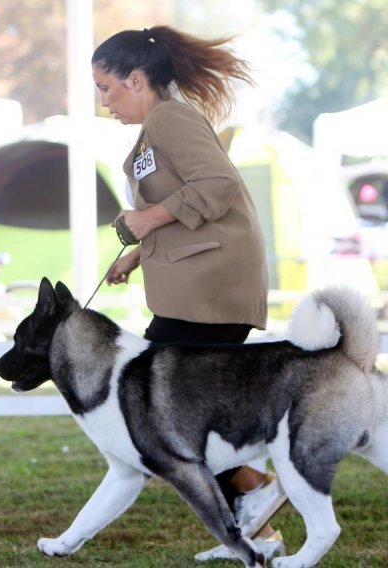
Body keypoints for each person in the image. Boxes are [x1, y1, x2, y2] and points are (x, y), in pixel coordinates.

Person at [93, 26, 287, 561]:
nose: (102, 100)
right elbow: (188, 199)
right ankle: (255, 532)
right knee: (182, 414)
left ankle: (258, 493)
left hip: (211, 288)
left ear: (136, 79)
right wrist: (137, 253)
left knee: (164, 410)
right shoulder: (157, 124)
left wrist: (144, 219)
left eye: (106, 87)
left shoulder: (170, 118)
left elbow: (218, 186)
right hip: (199, 283)